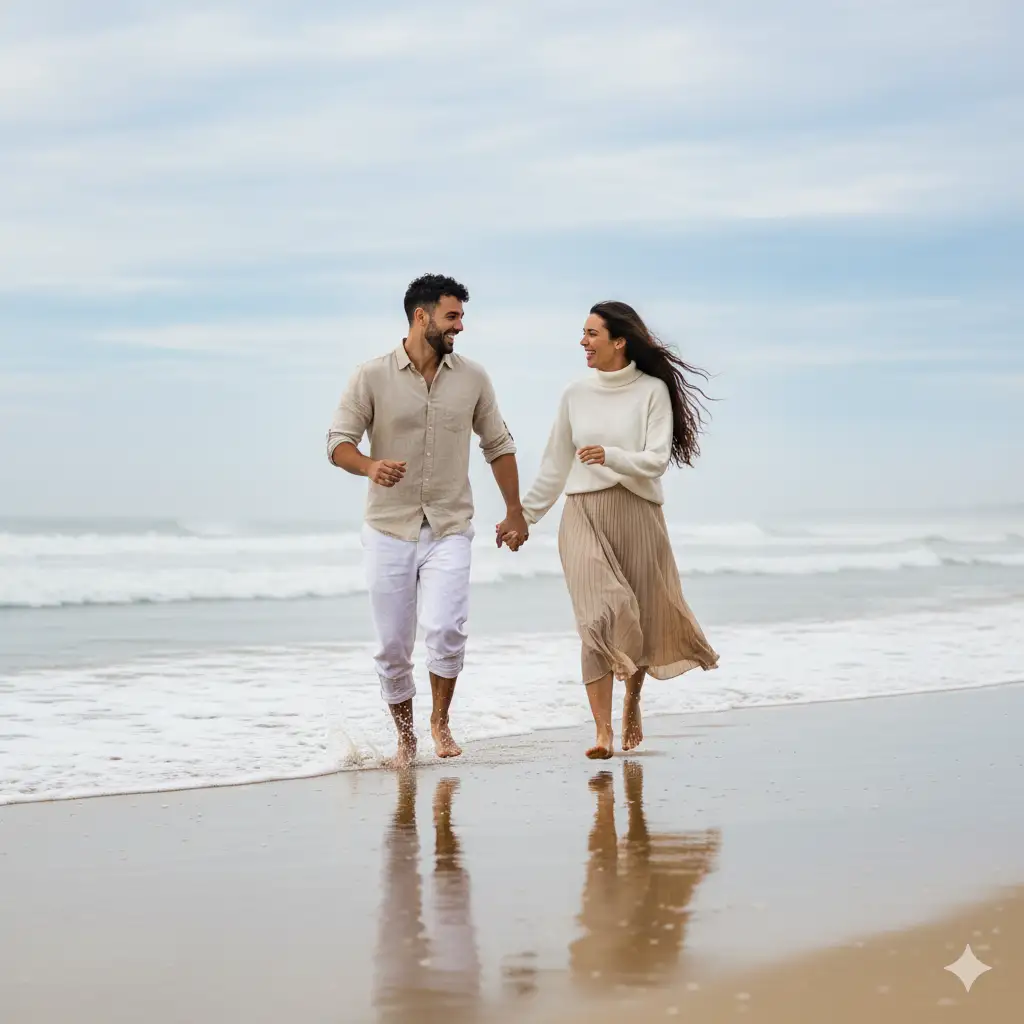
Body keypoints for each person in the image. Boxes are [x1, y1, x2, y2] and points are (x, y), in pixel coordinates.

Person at [498, 301, 718, 759]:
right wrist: (525, 516)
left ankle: (631, 700)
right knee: (599, 617)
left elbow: (656, 458)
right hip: (582, 514)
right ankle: (601, 731)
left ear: (620, 341)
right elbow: (555, 463)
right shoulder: (574, 393)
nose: (583, 342)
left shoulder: (652, 391)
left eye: (592, 333)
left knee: (637, 616)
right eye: (583, 333)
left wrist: (611, 455)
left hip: (637, 514)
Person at [327, 273, 528, 767]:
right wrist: (370, 465)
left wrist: (515, 511)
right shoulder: (370, 376)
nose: (459, 326)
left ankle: (439, 721)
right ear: (422, 316)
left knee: (446, 628)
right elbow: (337, 443)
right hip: (388, 528)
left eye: (460, 316)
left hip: (449, 526)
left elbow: (498, 444)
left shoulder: (473, 378)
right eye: (452, 316)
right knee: (393, 646)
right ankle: (405, 738)